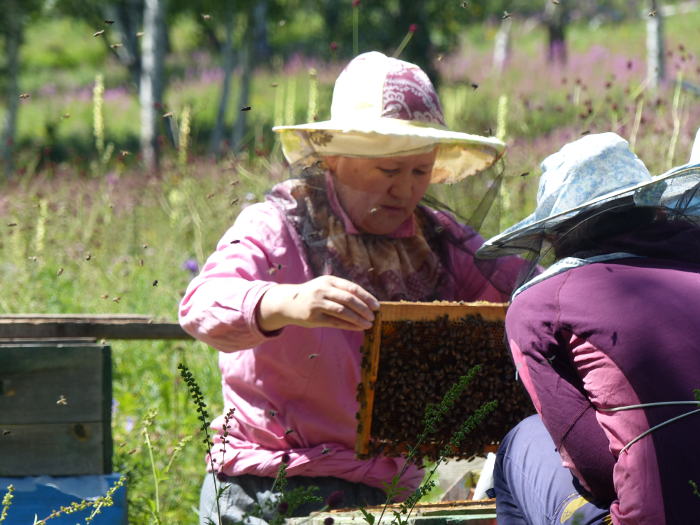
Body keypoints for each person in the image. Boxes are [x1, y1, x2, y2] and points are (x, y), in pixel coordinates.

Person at [179, 51, 525, 523]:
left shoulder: (438, 240)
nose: (404, 190)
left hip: (381, 492)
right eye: (388, 172)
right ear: (335, 159)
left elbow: (524, 291)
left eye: (419, 171)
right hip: (269, 486)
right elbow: (201, 305)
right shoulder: (275, 225)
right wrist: (285, 301)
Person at [477, 131, 700, 524]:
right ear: (653, 209)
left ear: (552, 233)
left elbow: (597, 472)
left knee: (518, 442)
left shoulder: (539, 305)